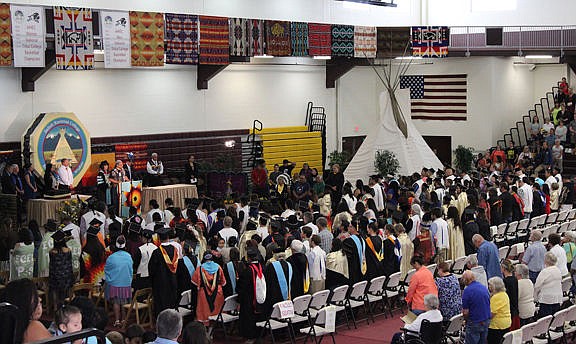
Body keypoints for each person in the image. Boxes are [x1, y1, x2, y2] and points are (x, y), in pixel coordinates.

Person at [0, 278, 51, 343]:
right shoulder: (33, 327)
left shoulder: (7, 327)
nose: (40, 299)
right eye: (35, 296)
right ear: (23, 302)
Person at [236, 247, 267, 342]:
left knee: (249, 318)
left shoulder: (247, 271)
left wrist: (239, 299)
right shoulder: (263, 268)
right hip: (260, 298)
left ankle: (250, 336)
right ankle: (259, 334)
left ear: (248, 258)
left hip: (249, 300)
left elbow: (242, 287)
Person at [148, 226, 179, 317]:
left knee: (161, 305)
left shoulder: (157, 252)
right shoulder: (175, 250)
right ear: (168, 237)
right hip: (173, 282)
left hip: (160, 284)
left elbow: (151, 269)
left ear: (159, 239)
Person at [105, 235, 133, 327]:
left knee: (116, 302)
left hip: (115, 283)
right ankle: (124, 319)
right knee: (124, 302)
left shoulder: (111, 257)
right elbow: (130, 269)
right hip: (126, 283)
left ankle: (117, 320)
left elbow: (107, 270)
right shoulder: (128, 256)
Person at [191, 252, 226, 325]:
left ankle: (205, 328)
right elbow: (223, 283)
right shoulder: (218, 267)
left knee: (205, 312)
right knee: (216, 311)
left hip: (204, 295)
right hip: (217, 294)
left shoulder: (200, 269)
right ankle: (214, 327)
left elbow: (195, 283)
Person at [461, 271, 491, 344]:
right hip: (486, 319)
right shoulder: (483, 287)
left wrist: (465, 321)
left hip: (474, 321)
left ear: (465, 280)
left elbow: (465, 312)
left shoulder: (467, 291)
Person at [48, 230, 74, 311]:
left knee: (55, 290)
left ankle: (56, 307)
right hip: (66, 275)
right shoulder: (68, 250)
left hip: (55, 275)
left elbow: (52, 263)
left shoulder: (52, 252)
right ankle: (65, 305)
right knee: (65, 290)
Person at [534, 252, 563, 317]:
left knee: (545, 319)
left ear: (546, 260)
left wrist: (535, 297)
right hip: (557, 298)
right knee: (554, 319)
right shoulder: (558, 270)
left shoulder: (545, 271)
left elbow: (537, 285)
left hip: (546, 299)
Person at [487, 277, 511, 344]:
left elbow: (491, 314)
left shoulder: (496, 297)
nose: (488, 287)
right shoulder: (504, 294)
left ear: (494, 286)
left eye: (490, 285)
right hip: (506, 324)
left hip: (497, 326)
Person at [500, 259, 519, 330]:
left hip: (510, 309)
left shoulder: (505, 281)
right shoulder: (515, 279)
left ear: (504, 268)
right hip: (515, 308)